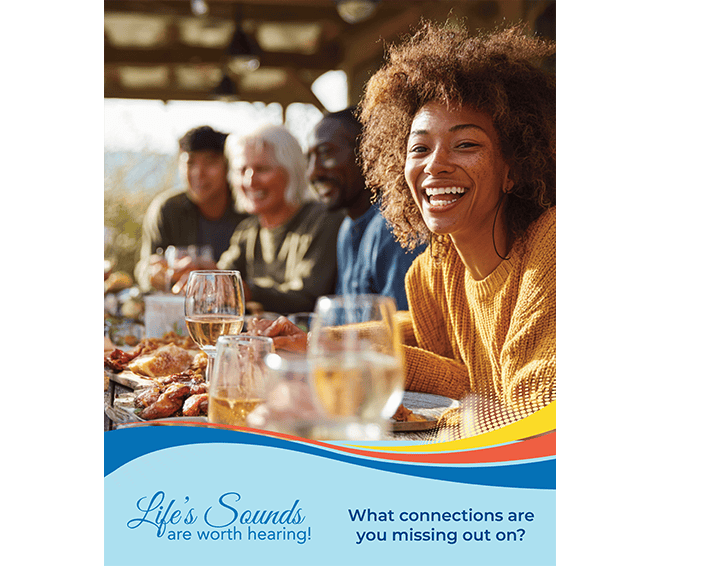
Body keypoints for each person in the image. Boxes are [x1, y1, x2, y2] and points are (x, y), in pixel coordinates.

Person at [253, 22, 556, 432]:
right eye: (420, 148)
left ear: (514, 167)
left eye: (466, 144)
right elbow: (456, 371)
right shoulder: (436, 269)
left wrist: (444, 416)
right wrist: (318, 344)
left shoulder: (551, 248)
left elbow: (537, 420)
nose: (435, 164)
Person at [216, 123, 345, 315]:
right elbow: (222, 281)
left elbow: (307, 299)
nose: (250, 181)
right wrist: (204, 274)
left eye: (262, 169)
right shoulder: (247, 230)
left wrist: (247, 292)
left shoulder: (323, 220)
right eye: (242, 170)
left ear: (291, 171)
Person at [307, 108, 424, 311]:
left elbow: (401, 326)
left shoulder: (394, 225)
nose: (313, 172)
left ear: (369, 153)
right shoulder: (348, 228)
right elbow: (347, 321)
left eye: (325, 153)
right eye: (308, 158)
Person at [135, 126, 248, 292]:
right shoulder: (167, 209)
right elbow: (144, 266)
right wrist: (153, 274)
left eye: (210, 162)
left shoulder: (248, 209)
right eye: (190, 163)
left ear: (228, 165)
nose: (198, 173)